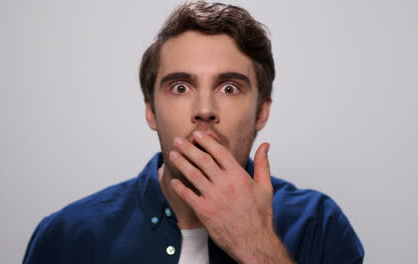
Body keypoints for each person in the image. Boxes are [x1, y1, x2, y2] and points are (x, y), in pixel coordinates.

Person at [23, 1, 364, 263]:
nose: (204, 109)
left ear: (262, 111)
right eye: (181, 87)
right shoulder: (67, 235)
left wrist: (258, 248)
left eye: (229, 88)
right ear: (150, 111)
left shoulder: (319, 224)